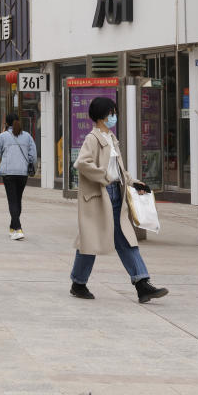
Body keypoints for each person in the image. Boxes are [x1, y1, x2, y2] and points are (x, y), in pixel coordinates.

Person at [69, 96, 168, 303]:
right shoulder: (92, 138)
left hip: (115, 194)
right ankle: (79, 283)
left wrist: (134, 182)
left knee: (123, 238)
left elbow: (118, 170)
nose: (114, 116)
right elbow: (82, 164)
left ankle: (142, 284)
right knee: (91, 239)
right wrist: (104, 177)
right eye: (111, 113)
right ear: (102, 116)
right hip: (99, 196)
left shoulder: (111, 138)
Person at [0, 113, 36, 240]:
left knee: (12, 200)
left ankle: (18, 228)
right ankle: (13, 226)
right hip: (23, 173)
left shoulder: (2, 136)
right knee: (17, 199)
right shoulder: (27, 136)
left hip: (8, 173)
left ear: (6, 123)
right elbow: (33, 155)